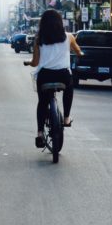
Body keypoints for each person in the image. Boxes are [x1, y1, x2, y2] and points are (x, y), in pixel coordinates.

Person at [24, 9, 84, 148]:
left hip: (45, 75)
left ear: (43, 24)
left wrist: (28, 62)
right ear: (60, 22)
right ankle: (67, 118)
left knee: (42, 103)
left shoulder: (39, 39)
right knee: (69, 88)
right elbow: (78, 51)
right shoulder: (69, 37)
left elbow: (35, 62)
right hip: (63, 74)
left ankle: (39, 133)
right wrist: (81, 53)